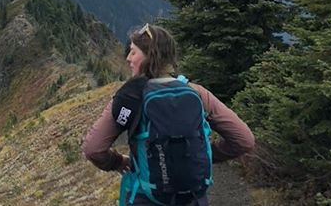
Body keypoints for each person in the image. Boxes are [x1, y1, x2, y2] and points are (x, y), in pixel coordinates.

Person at [81, 23, 255, 205]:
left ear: (150, 56)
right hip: (192, 199)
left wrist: (118, 162)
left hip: (145, 197)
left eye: (133, 52)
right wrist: (202, 155)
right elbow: (244, 140)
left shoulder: (130, 97)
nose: (128, 58)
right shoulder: (196, 93)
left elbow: (93, 149)